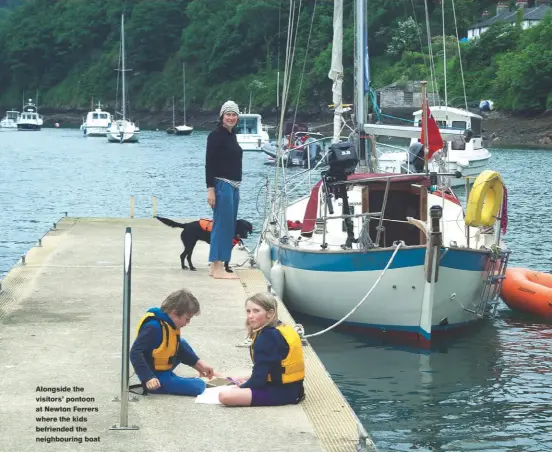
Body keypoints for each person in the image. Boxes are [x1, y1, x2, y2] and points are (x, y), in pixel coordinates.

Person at [218, 292, 305, 407]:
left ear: (270, 313)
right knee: (236, 377)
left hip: (282, 392)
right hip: (295, 388)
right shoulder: (280, 327)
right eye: (248, 311)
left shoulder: (267, 337)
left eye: (256, 311)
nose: (250, 316)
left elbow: (258, 380)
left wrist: (243, 386)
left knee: (225, 396)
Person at [130, 289, 214, 396]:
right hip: (155, 378)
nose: (188, 323)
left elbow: (179, 349)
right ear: (174, 313)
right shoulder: (153, 327)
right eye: (187, 319)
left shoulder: (170, 324)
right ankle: (165, 381)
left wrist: (200, 364)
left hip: (164, 369)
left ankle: (181, 377)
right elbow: (135, 352)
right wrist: (148, 378)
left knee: (180, 343)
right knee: (198, 386)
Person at [205, 100, 243, 280]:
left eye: (234, 114)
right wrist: (210, 189)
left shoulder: (231, 135)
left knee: (227, 225)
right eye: (228, 114)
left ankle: (215, 266)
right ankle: (218, 266)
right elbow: (209, 163)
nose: (231, 117)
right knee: (222, 225)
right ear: (222, 116)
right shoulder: (216, 135)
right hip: (222, 185)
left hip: (233, 186)